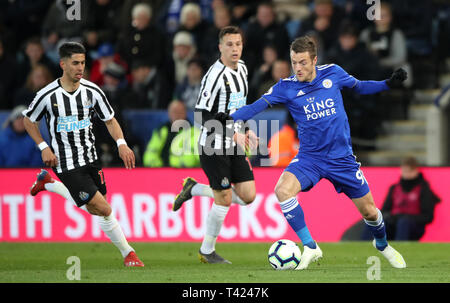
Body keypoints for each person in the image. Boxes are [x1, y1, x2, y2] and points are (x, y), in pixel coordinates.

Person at [215, 36, 408, 270]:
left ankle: (382, 245)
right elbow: (259, 105)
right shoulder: (286, 87)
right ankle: (311, 246)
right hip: (310, 158)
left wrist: (388, 83)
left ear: (314, 60)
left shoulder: (333, 74)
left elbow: (359, 86)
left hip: (341, 159)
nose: (298, 68)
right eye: (294, 62)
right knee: (282, 191)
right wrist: (232, 117)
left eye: (303, 62)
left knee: (369, 211)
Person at [22, 42, 144, 267]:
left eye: (83, 63)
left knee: (96, 208)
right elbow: (28, 121)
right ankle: (129, 254)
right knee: (104, 209)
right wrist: (43, 147)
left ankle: (49, 183)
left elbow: (110, 119)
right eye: (75, 63)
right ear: (63, 64)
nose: (80, 68)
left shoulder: (93, 90)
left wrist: (121, 143)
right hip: (65, 161)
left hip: (91, 158)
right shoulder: (47, 95)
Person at [171, 26, 258, 264]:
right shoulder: (214, 76)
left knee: (249, 196)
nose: (234, 49)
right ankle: (207, 251)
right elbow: (200, 116)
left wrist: (246, 130)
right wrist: (232, 132)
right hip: (213, 144)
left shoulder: (243, 70)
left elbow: (239, 108)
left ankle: (194, 188)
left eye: (238, 44)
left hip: (235, 143)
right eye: (229, 44)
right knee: (224, 199)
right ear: (220, 47)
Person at [380, 156, 440, 240]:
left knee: (403, 222)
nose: (406, 174)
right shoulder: (394, 188)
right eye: (404, 171)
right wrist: (392, 217)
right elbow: (384, 211)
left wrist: (405, 217)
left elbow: (428, 217)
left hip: (414, 227)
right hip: (394, 223)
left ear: (416, 171)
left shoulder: (423, 188)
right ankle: (367, 247)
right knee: (376, 222)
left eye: (410, 171)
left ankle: (400, 249)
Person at [143, 100, 200, 168]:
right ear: (169, 113)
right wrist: (159, 166)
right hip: (160, 171)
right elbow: (150, 154)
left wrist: (172, 165)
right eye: (174, 112)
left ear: (185, 113)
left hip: (183, 172)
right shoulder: (161, 130)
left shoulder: (194, 132)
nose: (176, 115)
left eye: (179, 112)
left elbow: (191, 160)